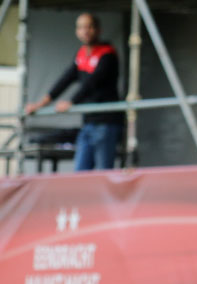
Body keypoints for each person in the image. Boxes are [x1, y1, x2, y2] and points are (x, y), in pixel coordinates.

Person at [23, 13, 123, 171]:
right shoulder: (81, 55)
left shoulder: (107, 54)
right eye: (82, 27)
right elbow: (64, 81)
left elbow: (92, 83)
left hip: (107, 123)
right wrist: (39, 105)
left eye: (89, 26)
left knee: (104, 173)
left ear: (98, 30)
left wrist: (72, 102)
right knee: (80, 171)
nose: (86, 31)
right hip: (88, 123)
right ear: (77, 31)